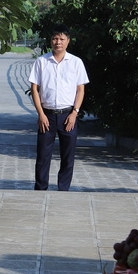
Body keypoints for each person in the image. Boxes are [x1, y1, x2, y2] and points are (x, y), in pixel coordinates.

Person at [28, 25, 88, 191]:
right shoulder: (41, 62)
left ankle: (63, 189)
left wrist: (75, 113)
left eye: (62, 39)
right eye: (55, 38)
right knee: (42, 156)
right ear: (50, 41)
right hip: (46, 116)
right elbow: (35, 88)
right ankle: (41, 189)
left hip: (68, 116)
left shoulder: (76, 62)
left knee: (68, 156)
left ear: (68, 41)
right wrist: (41, 114)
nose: (58, 42)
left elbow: (80, 89)